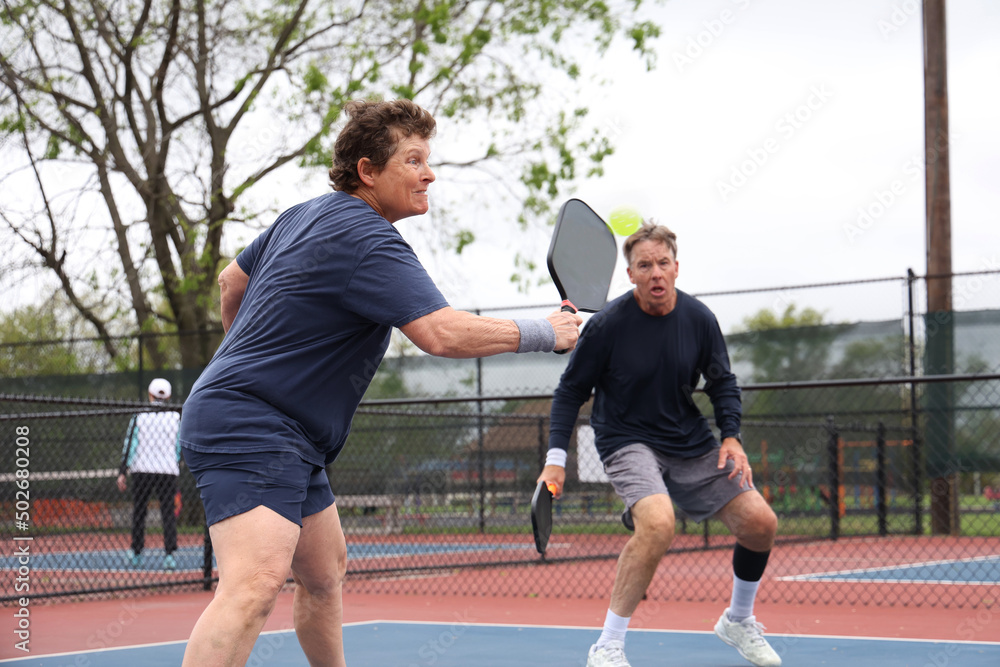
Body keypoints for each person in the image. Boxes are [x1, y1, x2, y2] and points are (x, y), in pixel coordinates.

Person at [177, 98, 582, 667]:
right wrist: (546, 331)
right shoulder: (368, 239)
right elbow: (440, 334)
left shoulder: (303, 214)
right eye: (414, 160)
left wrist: (242, 357)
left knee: (323, 571)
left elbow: (229, 283)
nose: (430, 173)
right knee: (255, 584)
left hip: (284, 430)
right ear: (368, 171)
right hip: (255, 423)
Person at [538, 222, 781, 667]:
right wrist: (555, 460)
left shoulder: (699, 319)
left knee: (761, 523)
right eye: (644, 265)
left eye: (662, 263)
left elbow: (722, 381)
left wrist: (732, 436)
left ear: (676, 268)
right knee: (658, 524)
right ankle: (607, 646)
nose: (655, 273)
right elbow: (570, 391)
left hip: (690, 442)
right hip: (625, 439)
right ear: (630, 274)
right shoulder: (607, 326)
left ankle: (738, 621)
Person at [118, 377, 182, 571]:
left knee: (139, 511)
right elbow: (180, 445)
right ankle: (170, 555)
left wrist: (123, 470)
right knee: (168, 513)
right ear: (169, 396)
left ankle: (136, 553)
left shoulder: (140, 416)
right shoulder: (176, 417)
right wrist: (176, 462)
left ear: (150, 394)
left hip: (142, 469)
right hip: (167, 471)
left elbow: (131, 443)